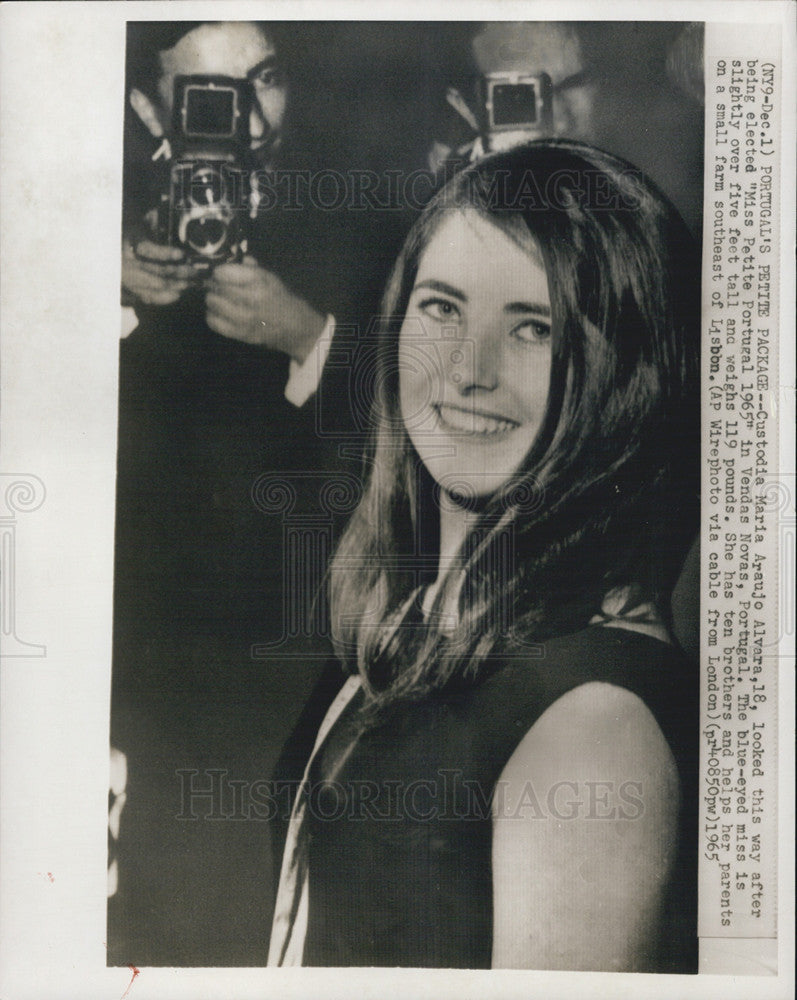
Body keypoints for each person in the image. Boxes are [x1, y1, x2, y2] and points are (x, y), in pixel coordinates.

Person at [268, 140, 700, 971]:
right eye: (441, 309)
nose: (469, 369)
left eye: (533, 328)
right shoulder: (417, 631)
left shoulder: (592, 725)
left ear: (629, 376)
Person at [109, 21, 411, 966]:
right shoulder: (87, 215)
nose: (244, 116)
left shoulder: (368, 212)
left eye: (265, 80)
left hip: (307, 660)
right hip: (148, 668)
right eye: (207, 93)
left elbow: (442, 425)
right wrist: (88, 281)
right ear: (149, 110)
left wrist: (309, 338)